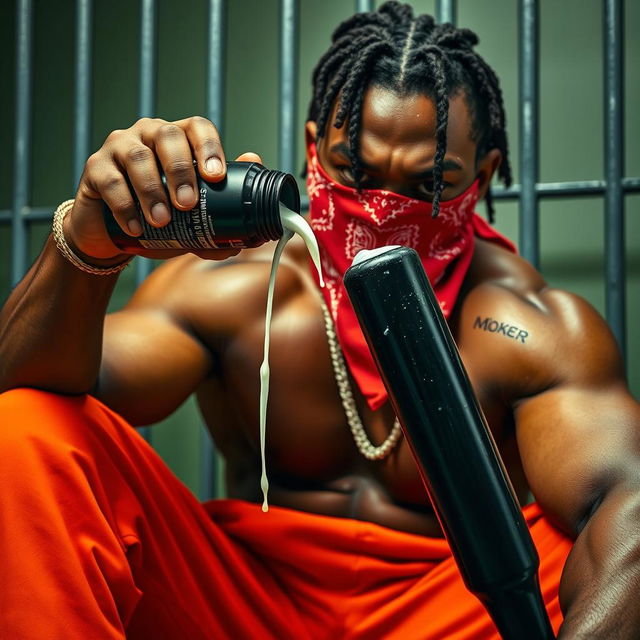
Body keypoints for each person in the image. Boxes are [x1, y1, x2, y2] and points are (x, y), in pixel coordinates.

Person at [0, 2, 638, 638]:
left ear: (484, 174)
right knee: (26, 426)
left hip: (454, 613)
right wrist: (86, 245)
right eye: (355, 172)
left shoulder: (524, 325)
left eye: (427, 185)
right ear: (313, 150)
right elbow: (28, 383)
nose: (384, 210)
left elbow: (627, 504)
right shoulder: (235, 291)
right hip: (250, 610)